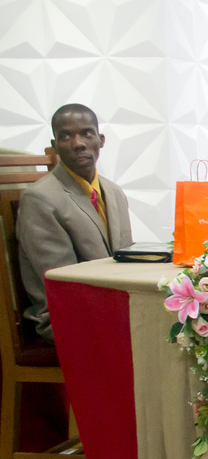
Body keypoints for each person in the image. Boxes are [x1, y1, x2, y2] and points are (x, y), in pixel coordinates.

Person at [17, 104, 133, 342]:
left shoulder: (114, 192)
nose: (78, 143)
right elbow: (63, 284)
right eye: (66, 136)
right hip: (68, 318)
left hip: (112, 308)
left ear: (101, 140)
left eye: (87, 133)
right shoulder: (40, 199)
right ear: (55, 145)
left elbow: (127, 262)